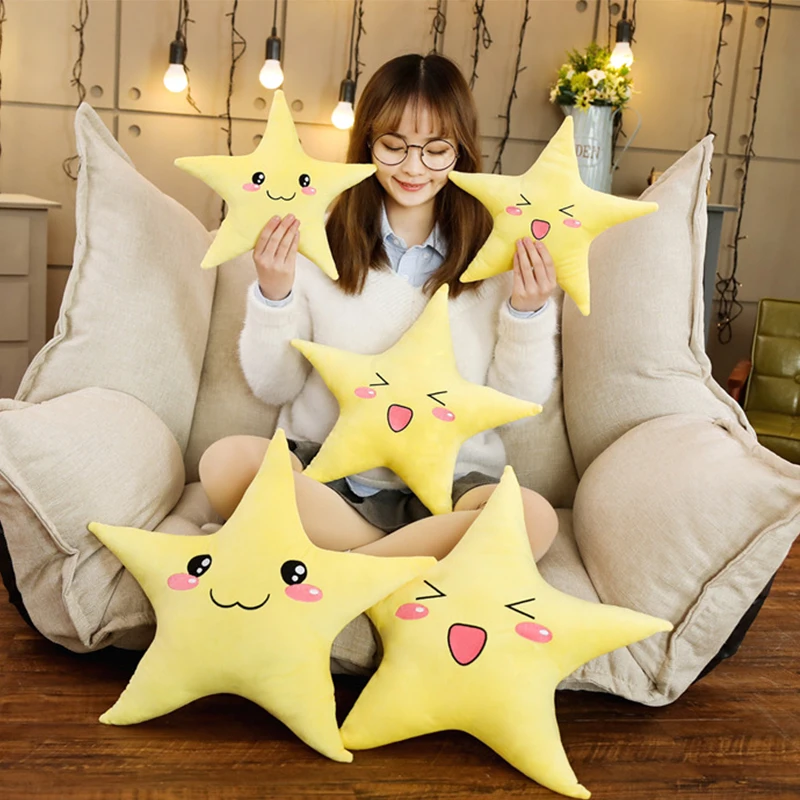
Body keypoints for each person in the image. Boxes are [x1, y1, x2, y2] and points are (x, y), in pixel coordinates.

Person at [199, 53, 560, 561]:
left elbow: (517, 406)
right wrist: (273, 294)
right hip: (326, 474)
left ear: (461, 151)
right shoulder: (317, 239)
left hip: (451, 483)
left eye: (436, 150)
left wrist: (527, 312)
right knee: (225, 463)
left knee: (535, 518)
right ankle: (403, 561)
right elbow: (274, 386)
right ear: (367, 141)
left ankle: (349, 563)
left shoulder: (497, 255)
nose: (413, 167)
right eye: (393, 146)